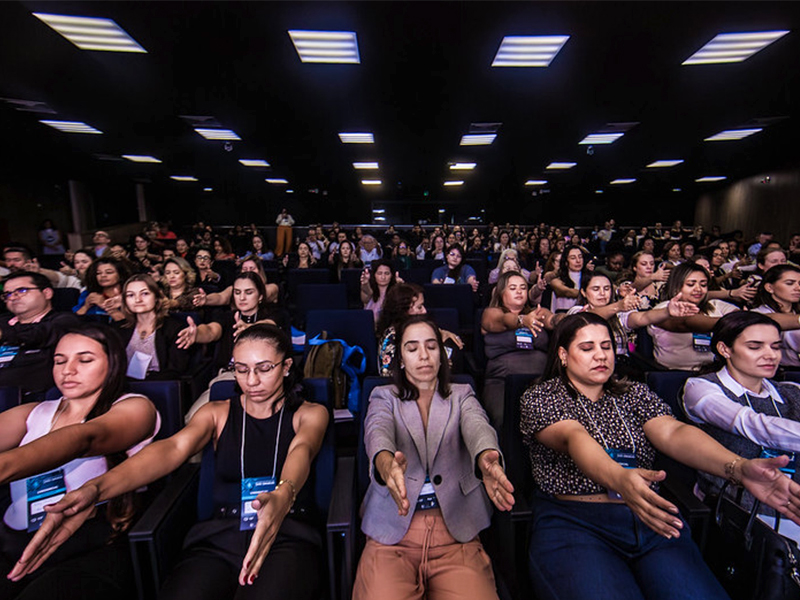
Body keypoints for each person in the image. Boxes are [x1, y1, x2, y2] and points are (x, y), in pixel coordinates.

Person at [14, 324, 327, 600]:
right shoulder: (216, 411)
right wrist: (96, 489)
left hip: (286, 534)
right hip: (220, 536)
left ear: (286, 366)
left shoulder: (310, 412)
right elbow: (172, 448)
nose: (252, 380)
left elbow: (301, 450)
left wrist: (283, 494)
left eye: (264, 368)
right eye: (242, 369)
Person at [520, 312, 800, 600]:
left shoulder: (632, 393)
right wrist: (620, 479)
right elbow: (574, 438)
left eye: (606, 346)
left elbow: (673, 432)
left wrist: (737, 468)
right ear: (564, 355)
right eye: (587, 348)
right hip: (576, 521)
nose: (601, 356)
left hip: (650, 517)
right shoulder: (543, 396)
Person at [353, 315, 513, 600]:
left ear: (443, 354)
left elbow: (478, 426)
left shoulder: (462, 394)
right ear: (400, 358)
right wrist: (386, 463)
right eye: (412, 348)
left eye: (431, 346)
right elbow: (377, 432)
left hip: (456, 535)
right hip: (392, 535)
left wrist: (487, 456)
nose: (424, 356)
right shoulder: (383, 396)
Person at [0, 323, 159, 599]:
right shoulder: (36, 411)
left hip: (87, 542)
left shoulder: (135, 407)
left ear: (112, 363)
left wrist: (6, 466)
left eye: (84, 360)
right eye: (59, 361)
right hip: (14, 534)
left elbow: (83, 439)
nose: (67, 370)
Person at [683, 311, 800, 539]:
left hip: (791, 500)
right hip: (737, 504)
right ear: (725, 349)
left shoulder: (790, 391)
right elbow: (754, 426)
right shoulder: (702, 389)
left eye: (775, 347)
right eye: (755, 347)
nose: (770, 355)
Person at [180, 273, 290, 421]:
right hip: (229, 376)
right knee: (192, 418)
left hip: (263, 377)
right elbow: (212, 331)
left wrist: (251, 328)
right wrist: (197, 334)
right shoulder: (226, 316)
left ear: (260, 296)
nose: (242, 297)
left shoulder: (275, 313)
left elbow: (269, 325)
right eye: (237, 292)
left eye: (248, 292)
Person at [480, 272, 556, 427]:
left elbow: (553, 320)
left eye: (523, 287)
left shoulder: (537, 312)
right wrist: (522, 320)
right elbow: (504, 320)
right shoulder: (491, 313)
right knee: (502, 419)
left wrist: (569, 318)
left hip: (539, 380)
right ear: (501, 292)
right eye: (513, 288)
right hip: (502, 381)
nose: (519, 291)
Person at [647, 263, 739, 370]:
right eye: (691, 284)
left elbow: (742, 315)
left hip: (713, 370)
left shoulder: (714, 305)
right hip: (676, 373)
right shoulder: (663, 309)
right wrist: (733, 323)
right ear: (676, 287)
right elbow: (687, 322)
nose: (698, 289)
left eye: (703, 285)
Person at [0, 271, 79, 395]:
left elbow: (40, 334)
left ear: (47, 293)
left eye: (21, 291)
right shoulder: (3, 321)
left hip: (30, 398)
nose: (13, 297)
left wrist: (3, 334)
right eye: (8, 294)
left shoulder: (64, 321)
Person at [376, 283, 464, 377]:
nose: (424, 311)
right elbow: (387, 374)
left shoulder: (426, 329)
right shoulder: (391, 336)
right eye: (419, 307)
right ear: (404, 310)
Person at [115, 274, 190, 380]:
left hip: (159, 387)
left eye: (145, 294)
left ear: (156, 297)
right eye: (130, 295)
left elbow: (176, 370)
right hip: (123, 388)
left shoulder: (175, 328)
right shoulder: (118, 329)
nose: (137, 300)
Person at [753, 264, 800, 368]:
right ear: (769, 287)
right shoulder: (758, 313)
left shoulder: (796, 313)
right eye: (790, 283)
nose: (798, 288)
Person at [73, 258, 130, 322]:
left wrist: (104, 305)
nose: (103, 275)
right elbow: (73, 321)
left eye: (109, 272)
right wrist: (86, 306)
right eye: (98, 273)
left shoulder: (129, 295)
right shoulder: (87, 294)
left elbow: (129, 324)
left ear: (121, 275)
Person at [550, 245, 589, 313]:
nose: (578, 261)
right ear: (566, 262)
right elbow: (567, 292)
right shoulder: (558, 281)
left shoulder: (590, 278)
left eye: (580, 257)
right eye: (573, 258)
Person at [361, 259, 398, 324]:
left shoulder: (396, 293)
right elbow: (366, 291)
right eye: (379, 273)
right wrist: (365, 283)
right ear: (374, 275)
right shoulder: (370, 293)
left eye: (386, 273)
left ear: (392, 275)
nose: (383, 277)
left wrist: (401, 286)